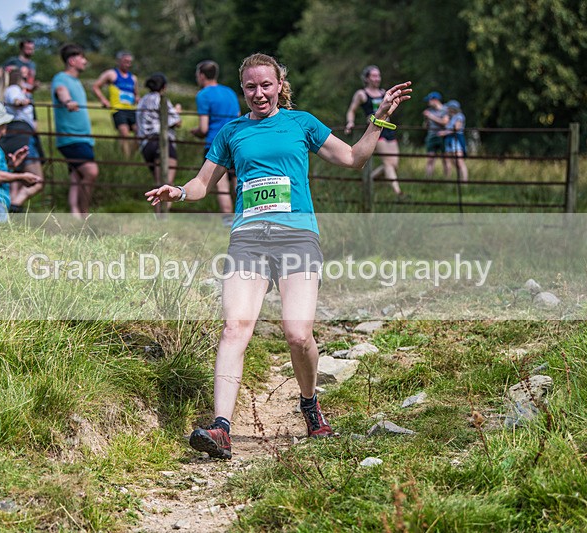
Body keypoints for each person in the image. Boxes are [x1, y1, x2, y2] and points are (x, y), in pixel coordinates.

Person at [146, 53, 411, 459]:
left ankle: (309, 404)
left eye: (265, 85)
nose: (258, 93)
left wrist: (379, 119)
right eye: (250, 87)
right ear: (242, 90)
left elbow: (353, 158)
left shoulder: (300, 123)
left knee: (297, 333)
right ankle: (221, 427)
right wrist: (178, 192)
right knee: (235, 327)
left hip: (297, 237)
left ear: (279, 84)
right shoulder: (231, 132)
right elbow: (202, 183)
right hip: (248, 238)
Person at [52, 43, 99, 219]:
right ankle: (84, 213)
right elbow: (61, 92)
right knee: (91, 172)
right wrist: (68, 101)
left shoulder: (76, 81)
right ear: (72, 60)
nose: (85, 61)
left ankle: (74, 214)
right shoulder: (61, 78)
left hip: (83, 138)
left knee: (76, 176)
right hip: (71, 137)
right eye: (82, 58)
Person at [190, 60, 241, 219]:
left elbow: (204, 128)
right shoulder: (230, 92)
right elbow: (238, 118)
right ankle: (245, 218)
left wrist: (195, 132)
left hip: (215, 145)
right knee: (238, 184)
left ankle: (227, 220)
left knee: (222, 186)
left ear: (202, 75)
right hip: (235, 143)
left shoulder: (203, 95)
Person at [345, 65, 404, 197]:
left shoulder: (384, 93)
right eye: (374, 76)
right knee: (388, 163)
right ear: (367, 78)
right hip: (376, 130)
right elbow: (351, 110)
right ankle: (398, 193)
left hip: (388, 129)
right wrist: (350, 122)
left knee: (394, 165)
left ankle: (367, 179)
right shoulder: (361, 94)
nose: (377, 78)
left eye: (378, 75)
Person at [0, 66, 44, 212]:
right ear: (19, 78)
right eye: (24, 78)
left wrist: (32, 89)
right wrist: (21, 101)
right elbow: (16, 99)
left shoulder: (15, 89)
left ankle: (11, 209)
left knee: (16, 178)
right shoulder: (13, 89)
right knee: (38, 181)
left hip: (15, 134)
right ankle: (15, 205)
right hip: (23, 135)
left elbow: (25, 92)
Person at [137, 72, 181, 214]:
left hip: (145, 145)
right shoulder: (161, 99)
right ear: (164, 86)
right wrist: (178, 111)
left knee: (158, 184)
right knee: (167, 185)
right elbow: (176, 120)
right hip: (161, 143)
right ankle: (162, 218)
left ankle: (158, 217)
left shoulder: (142, 100)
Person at [92, 51, 139, 157]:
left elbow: (136, 94)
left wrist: (137, 98)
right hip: (118, 109)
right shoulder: (111, 74)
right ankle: (126, 158)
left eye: (130, 62)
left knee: (139, 131)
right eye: (125, 61)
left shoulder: (133, 78)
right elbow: (95, 86)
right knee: (124, 133)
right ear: (119, 61)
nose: (128, 64)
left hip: (131, 109)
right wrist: (103, 100)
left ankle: (133, 156)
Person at [422, 91, 450, 178]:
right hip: (431, 136)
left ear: (435, 100)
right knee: (430, 160)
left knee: (445, 160)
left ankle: (447, 181)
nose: (428, 102)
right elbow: (424, 127)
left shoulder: (445, 109)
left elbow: (445, 122)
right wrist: (426, 119)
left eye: (429, 100)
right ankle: (428, 181)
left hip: (443, 136)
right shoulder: (429, 111)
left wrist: (430, 116)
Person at [439, 100, 468, 182]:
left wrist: (444, 133)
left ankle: (464, 181)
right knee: (450, 161)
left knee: (459, 162)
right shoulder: (450, 117)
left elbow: (457, 128)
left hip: (456, 140)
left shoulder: (459, 116)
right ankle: (449, 181)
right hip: (449, 140)